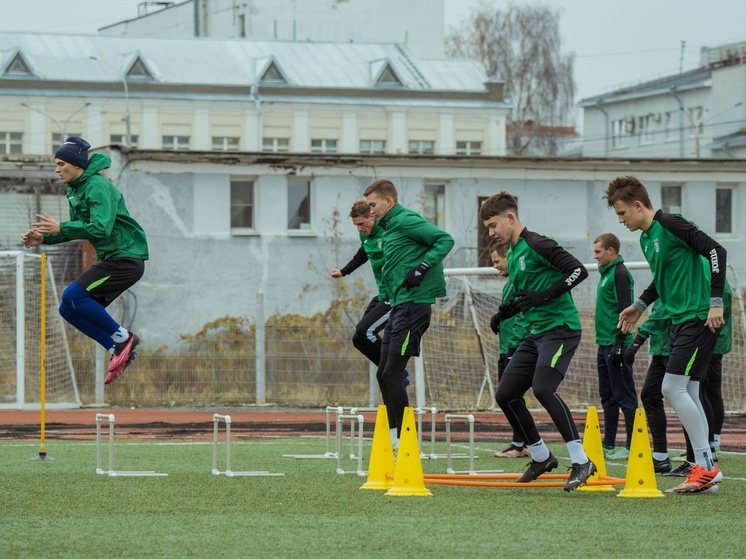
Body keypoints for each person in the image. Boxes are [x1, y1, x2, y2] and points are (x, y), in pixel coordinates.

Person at [605, 175, 726, 494]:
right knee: (693, 390)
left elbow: (716, 251)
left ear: (638, 205)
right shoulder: (647, 239)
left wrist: (715, 302)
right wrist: (639, 305)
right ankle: (706, 470)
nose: (621, 220)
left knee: (672, 387)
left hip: (699, 317)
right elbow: (663, 279)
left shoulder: (671, 223)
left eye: (622, 213)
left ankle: (705, 467)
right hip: (680, 320)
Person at [480, 192, 596, 492]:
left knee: (543, 388)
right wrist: (503, 313)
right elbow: (524, 296)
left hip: (561, 329)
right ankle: (542, 456)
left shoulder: (538, 244)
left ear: (510, 218)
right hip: (536, 333)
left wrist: (543, 296)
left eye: (493, 225)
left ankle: (581, 460)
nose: (491, 233)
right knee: (506, 394)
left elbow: (577, 271)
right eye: (488, 228)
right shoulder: (515, 253)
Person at [20, 136, 148, 385]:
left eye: (60, 164)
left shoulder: (97, 185)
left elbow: (101, 228)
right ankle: (116, 348)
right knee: (67, 308)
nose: (57, 170)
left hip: (126, 257)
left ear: (77, 164)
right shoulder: (76, 190)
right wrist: (44, 238)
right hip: (114, 257)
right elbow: (82, 229)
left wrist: (61, 227)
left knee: (72, 295)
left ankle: (123, 337)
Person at [363, 179, 454, 449]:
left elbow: (444, 239)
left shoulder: (405, 220)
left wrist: (422, 267)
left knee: (392, 373)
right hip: (399, 304)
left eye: (373, 205)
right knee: (383, 374)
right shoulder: (388, 228)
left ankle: (406, 441)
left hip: (415, 305)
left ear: (388, 201)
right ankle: (393, 438)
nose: (371, 211)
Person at [330, 198, 408, 387]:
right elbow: (363, 254)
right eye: (355, 225)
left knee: (365, 331)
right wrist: (344, 271)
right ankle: (390, 371)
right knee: (359, 339)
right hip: (382, 294)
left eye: (361, 223)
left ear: (372, 216)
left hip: (397, 295)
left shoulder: (388, 231)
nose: (359, 228)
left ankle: (396, 371)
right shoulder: (365, 236)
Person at [672, 277, 732, 476]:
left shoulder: (717, 283)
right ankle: (705, 451)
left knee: (707, 390)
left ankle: (710, 445)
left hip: (712, 341)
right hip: (708, 339)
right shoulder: (704, 279)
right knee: (696, 390)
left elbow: (718, 314)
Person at [592, 233, 638, 460]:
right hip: (603, 343)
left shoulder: (620, 274)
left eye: (598, 252)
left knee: (625, 396)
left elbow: (625, 310)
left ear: (611, 250)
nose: (595, 256)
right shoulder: (605, 273)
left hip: (616, 345)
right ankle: (608, 443)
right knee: (607, 396)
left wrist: (620, 344)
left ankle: (632, 444)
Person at [488, 242, 530, 458]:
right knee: (507, 396)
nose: (495, 266)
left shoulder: (518, 280)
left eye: (497, 261)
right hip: (506, 346)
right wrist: (498, 318)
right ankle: (521, 442)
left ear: (508, 258)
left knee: (510, 396)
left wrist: (515, 345)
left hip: (516, 345)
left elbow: (523, 315)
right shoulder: (508, 284)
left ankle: (523, 443)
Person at [623, 302, 673, 473]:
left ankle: (695, 458)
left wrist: (638, 340)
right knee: (650, 396)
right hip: (661, 349)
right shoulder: (660, 282)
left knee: (685, 397)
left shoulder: (671, 280)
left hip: (676, 347)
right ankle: (660, 458)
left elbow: (660, 315)